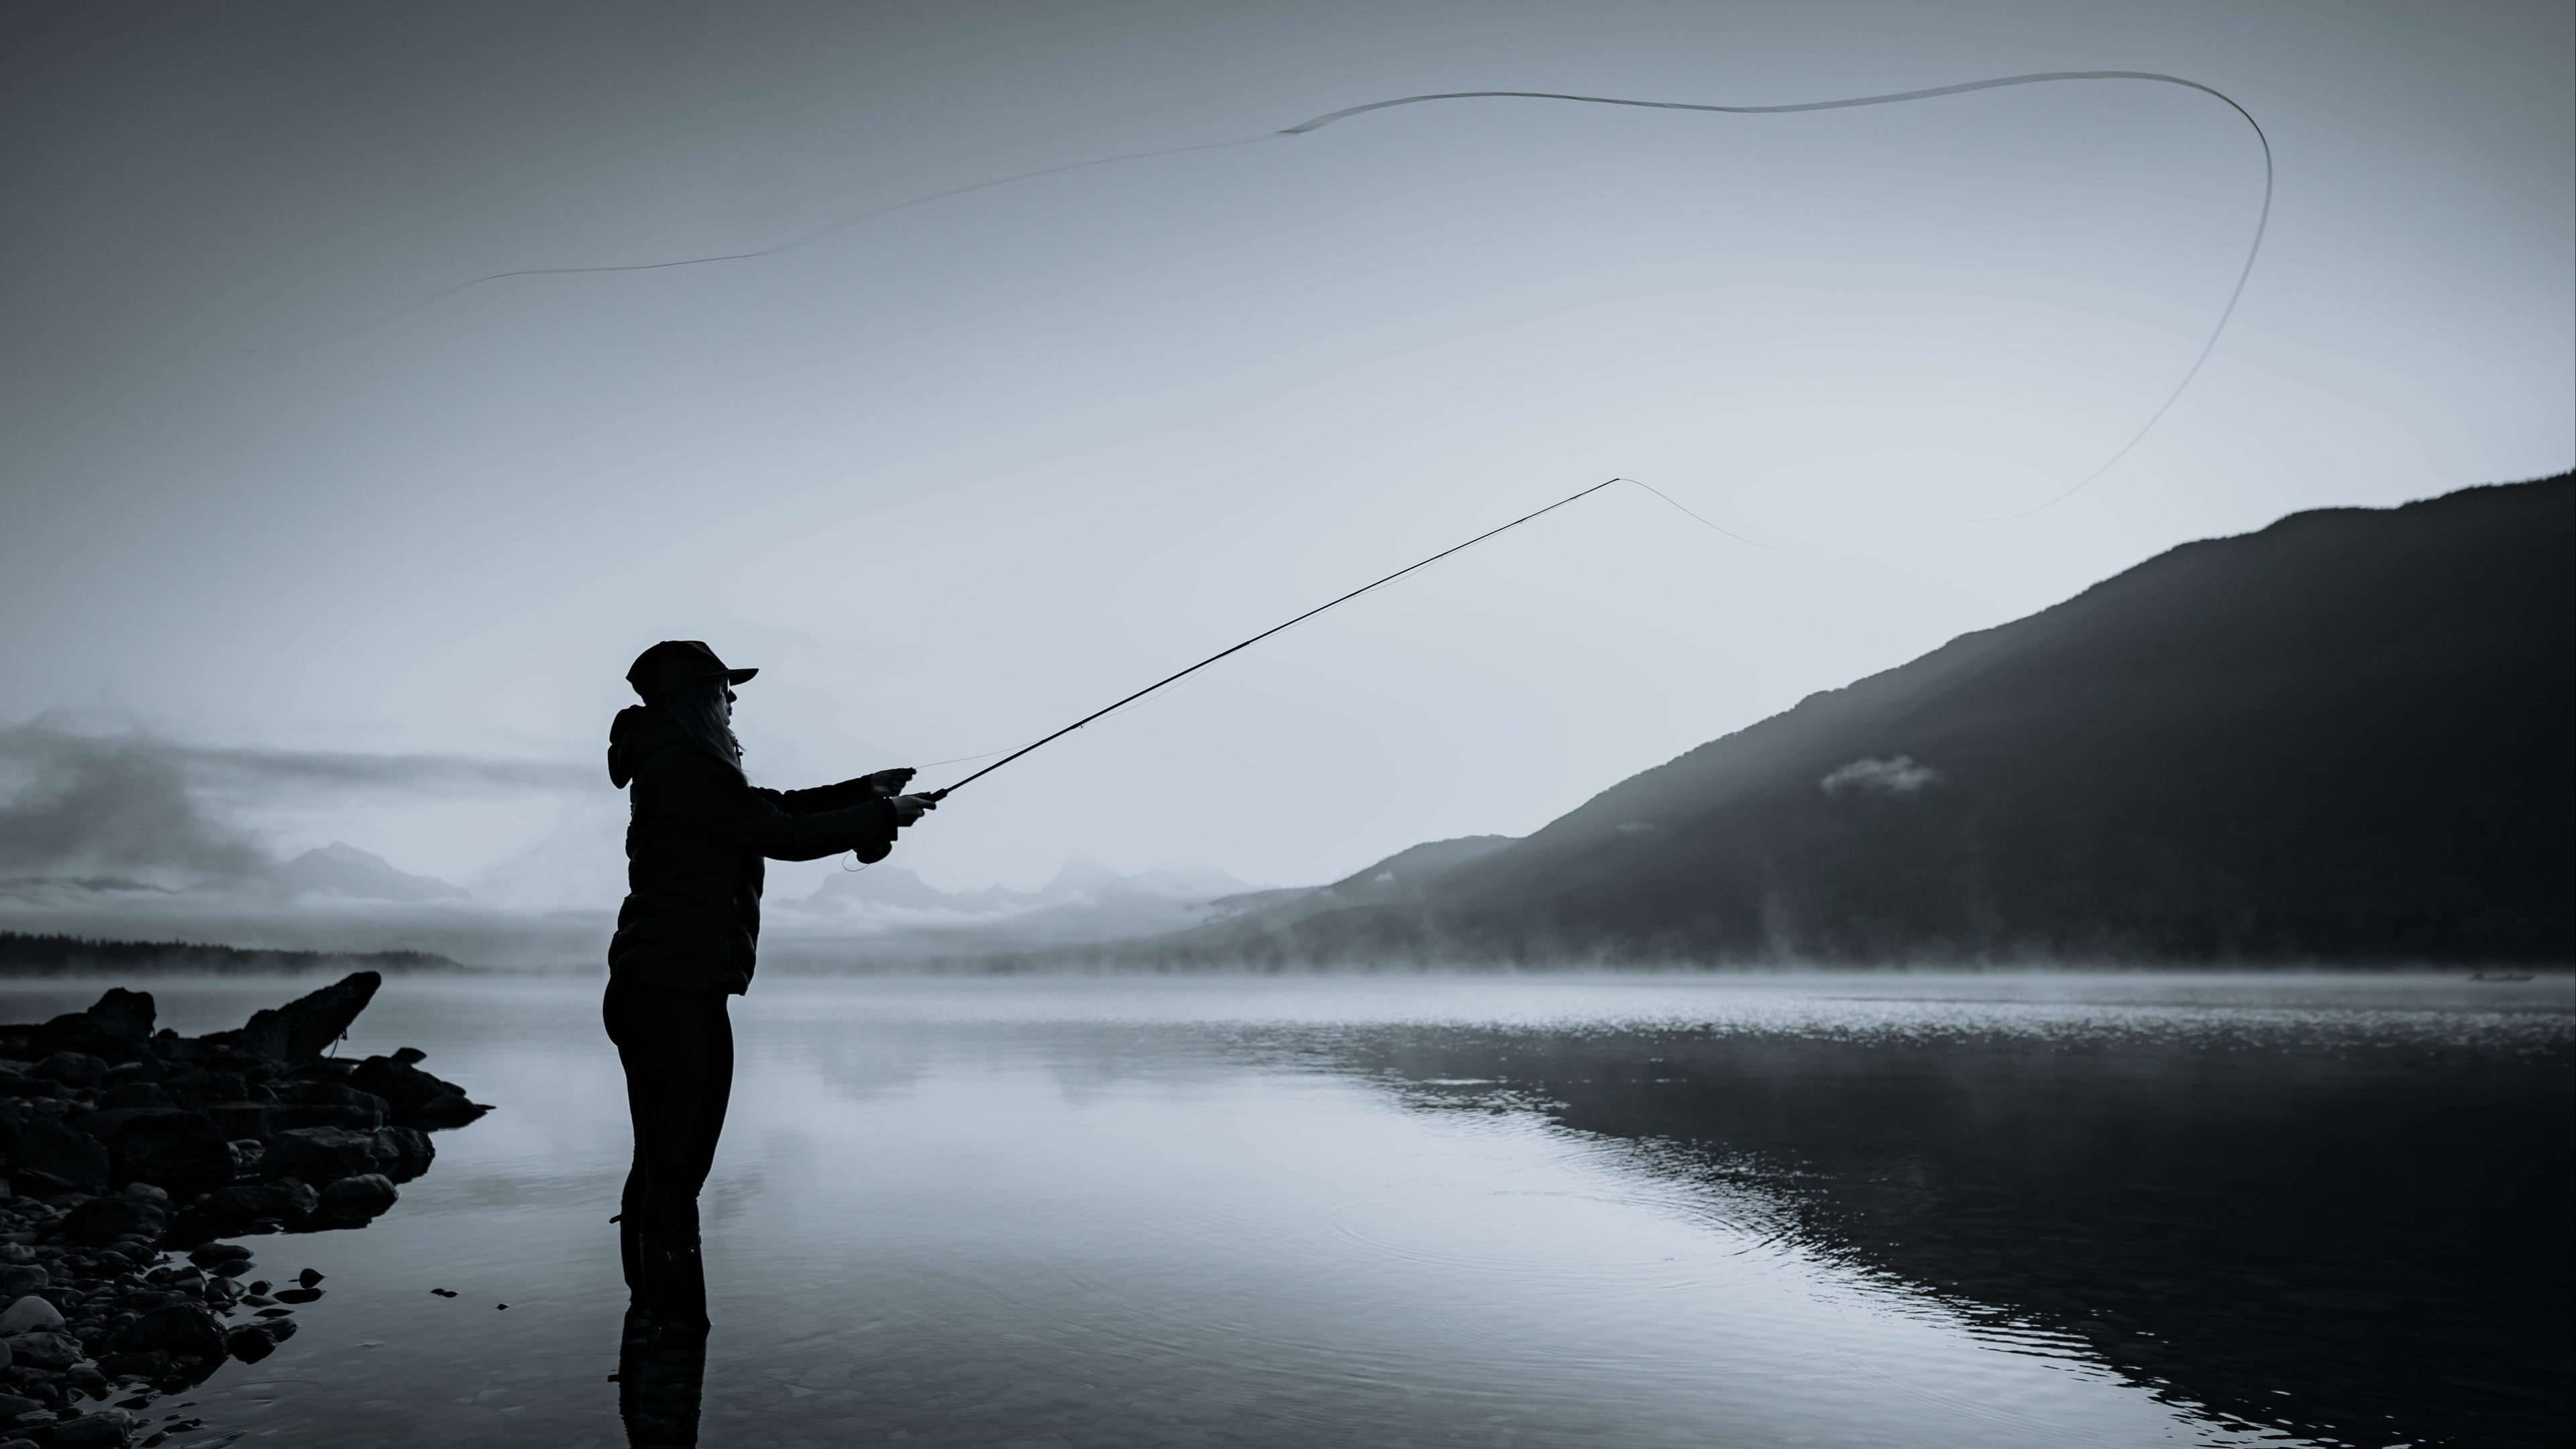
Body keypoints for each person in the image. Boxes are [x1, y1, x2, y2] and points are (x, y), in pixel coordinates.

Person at [603, 639, 938, 1330]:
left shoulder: (679, 763)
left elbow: (769, 808)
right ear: (696, 696)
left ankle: (651, 1325)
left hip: (659, 985)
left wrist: (863, 790)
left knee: (661, 1159)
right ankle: (675, 1328)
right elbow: (776, 832)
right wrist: (880, 818)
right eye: (725, 688)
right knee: (678, 1167)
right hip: (673, 990)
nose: (733, 701)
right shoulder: (683, 766)